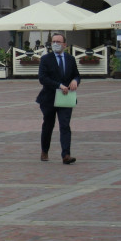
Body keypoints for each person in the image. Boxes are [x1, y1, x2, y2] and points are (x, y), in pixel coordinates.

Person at [37, 32, 80, 164]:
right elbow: (43, 78)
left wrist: (75, 81)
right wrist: (59, 85)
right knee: (48, 125)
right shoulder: (45, 59)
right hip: (49, 98)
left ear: (64, 44)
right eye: (53, 41)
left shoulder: (70, 59)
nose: (55, 44)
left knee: (65, 125)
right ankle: (45, 150)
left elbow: (77, 75)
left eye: (58, 42)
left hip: (66, 97)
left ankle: (66, 155)